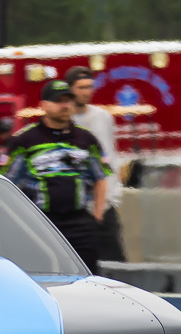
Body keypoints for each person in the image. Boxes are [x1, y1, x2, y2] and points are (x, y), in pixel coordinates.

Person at [0, 79, 111, 274]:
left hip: (80, 223)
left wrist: (97, 216)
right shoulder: (24, 140)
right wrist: (18, 220)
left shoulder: (86, 139)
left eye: (68, 100)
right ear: (44, 105)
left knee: (88, 277)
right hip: (41, 222)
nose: (65, 105)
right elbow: (5, 183)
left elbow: (100, 177)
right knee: (44, 277)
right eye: (58, 100)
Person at [64, 65, 125, 262]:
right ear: (70, 89)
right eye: (81, 87)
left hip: (104, 199)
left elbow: (111, 156)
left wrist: (113, 196)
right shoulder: (64, 118)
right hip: (74, 203)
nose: (86, 92)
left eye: (89, 87)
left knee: (113, 255)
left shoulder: (102, 117)